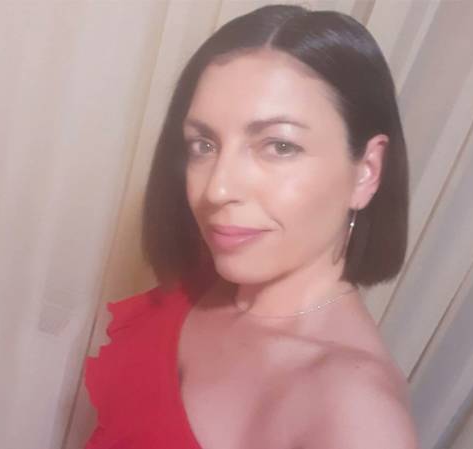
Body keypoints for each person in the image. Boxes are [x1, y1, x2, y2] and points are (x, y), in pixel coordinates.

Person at [83, 4, 418, 449]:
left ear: (366, 171)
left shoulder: (356, 420)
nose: (216, 189)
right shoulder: (208, 280)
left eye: (279, 146)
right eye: (204, 145)